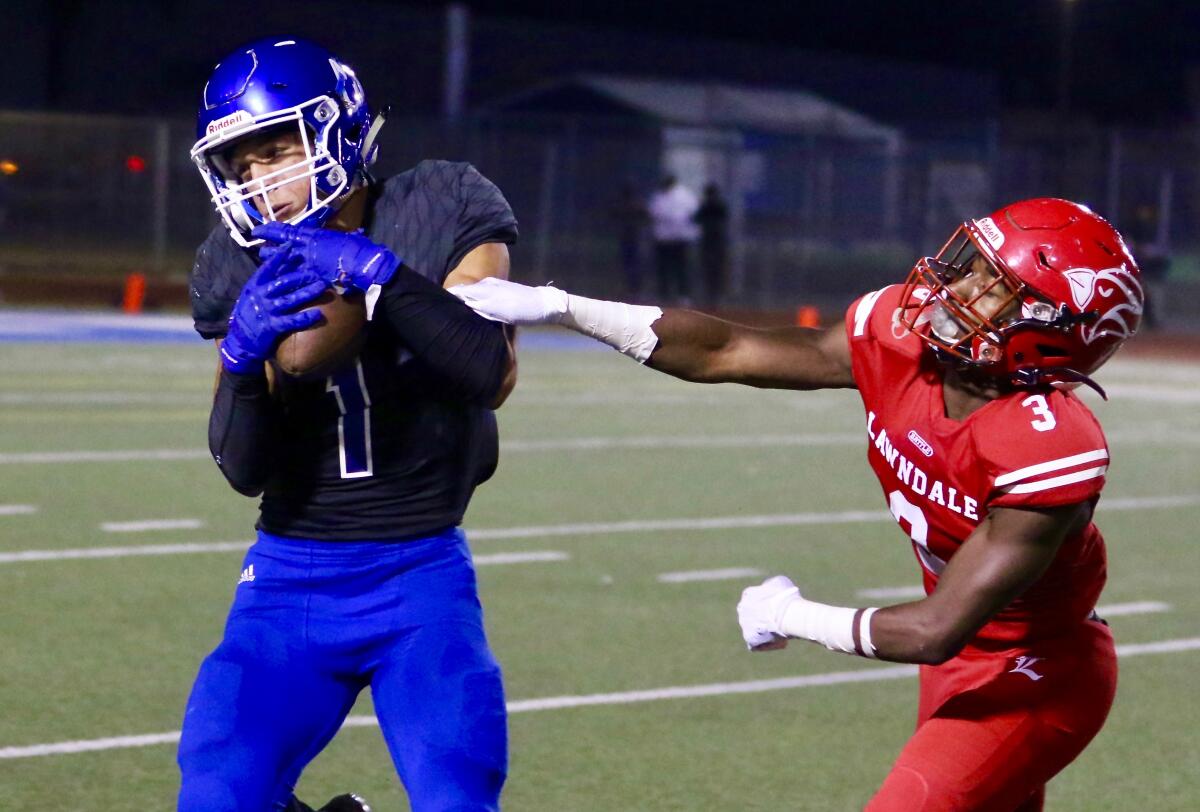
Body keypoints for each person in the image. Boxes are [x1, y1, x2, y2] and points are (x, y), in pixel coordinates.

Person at [449, 198, 1145, 810]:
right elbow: (727, 348)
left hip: (1038, 670)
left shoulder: (1044, 445)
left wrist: (793, 615)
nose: (954, 282)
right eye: (972, 264)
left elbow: (935, 629)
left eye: (991, 286)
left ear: (1051, 329)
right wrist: (563, 307)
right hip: (959, 661)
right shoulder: (901, 343)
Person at [183, 38, 518, 812]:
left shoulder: (441, 204)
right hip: (289, 580)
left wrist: (380, 274)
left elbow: (488, 371)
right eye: (243, 167)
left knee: (457, 796)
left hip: (420, 575)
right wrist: (239, 358)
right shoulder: (232, 262)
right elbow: (242, 467)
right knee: (217, 794)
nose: (263, 183)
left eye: (276, 150)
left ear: (336, 131)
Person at [647, 174, 699, 302]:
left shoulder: (685, 195)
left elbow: (693, 212)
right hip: (664, 238)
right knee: (663, 268)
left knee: (681, 268)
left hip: (680, 237)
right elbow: (653, 213)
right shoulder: (658, 196)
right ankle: (664, 294)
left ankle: (683, 294)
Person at [693, 182, 729, 305]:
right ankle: (715, 293)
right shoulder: (718, 205)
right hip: (715, 241)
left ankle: (714, 293)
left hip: (711, 241)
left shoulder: (708, 206)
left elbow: (696, 219)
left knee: (712, 268)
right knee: (715, 269)